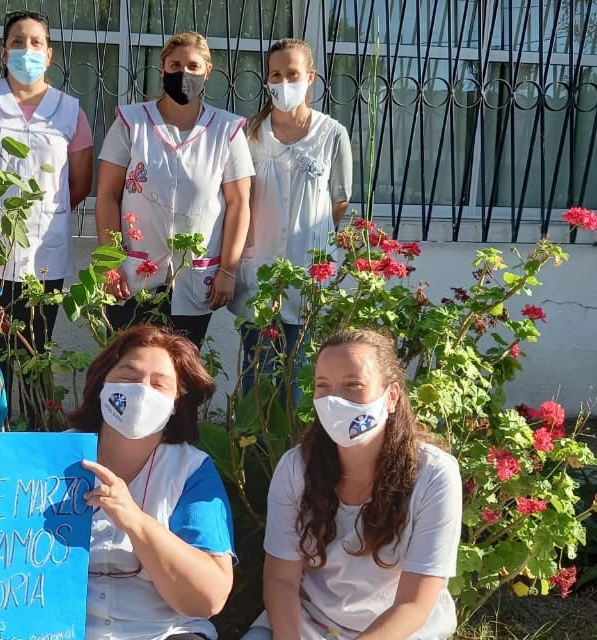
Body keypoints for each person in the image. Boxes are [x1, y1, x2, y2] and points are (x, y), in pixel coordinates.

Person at [242, 329, 462, 640]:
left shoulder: (435, 475)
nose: (334, 401)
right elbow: (281, 580)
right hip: (309, 621)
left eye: (352, 387)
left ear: (392, 397)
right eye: (323, 387)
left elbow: (413, 604)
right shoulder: (295, 468)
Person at [0, 10, 94, 420]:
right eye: (18, 42)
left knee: (35, 346)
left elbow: (79, 184)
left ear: (50, 54)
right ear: (4, 53)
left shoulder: (69, 111)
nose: (27, 50)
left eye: (36, 42)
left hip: (45, 253)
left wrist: (47, 217)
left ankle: (34, 424)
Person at [69, 325, 236, 640]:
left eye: (159, 384)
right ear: (101, 384)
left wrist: (133, 520)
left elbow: (209, 598)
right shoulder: (53, 457)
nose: (141, 391)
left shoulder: (191, 470)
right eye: (128, 378)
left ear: (176, 402)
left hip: (165, 632)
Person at [95, 31, 253, 349]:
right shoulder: (131, 123)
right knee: (128, 366)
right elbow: (107, 196)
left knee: (185, 375)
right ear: (163, 68)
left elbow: (239, 204)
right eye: (176, 64)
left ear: (207, 72)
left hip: (196, 277)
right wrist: (110, 264)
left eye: (193, 66)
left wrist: (228, 270)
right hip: (132, 275)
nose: (184, 73)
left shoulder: (226, 131)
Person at [229, 38, 352, 399]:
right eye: (276, 75)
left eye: (293, 74)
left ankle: (298, 452)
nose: (284, 83)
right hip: (259, 273)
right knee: (258, 374)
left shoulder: (331, 134)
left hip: (307, 276)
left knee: (302, 378)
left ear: (310, 77)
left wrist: (309, 234)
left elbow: (339, 200)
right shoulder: (249, 134)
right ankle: (253, 453)